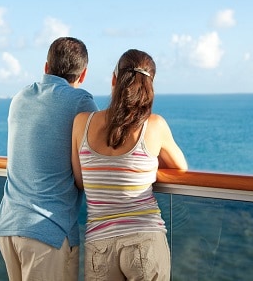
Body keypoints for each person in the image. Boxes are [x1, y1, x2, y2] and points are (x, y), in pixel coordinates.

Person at [71, 49, 188, 280]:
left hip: (100, 245)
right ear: (149, 85)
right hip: (145, 239)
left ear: (114, 79)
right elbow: (181, 167)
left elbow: (80, 181)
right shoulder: (154, 126)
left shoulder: (82, 122)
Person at [0, 37, 99, 281]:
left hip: (9, 227)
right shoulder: (81, 102)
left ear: (46, 67)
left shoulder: (19, 98)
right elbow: (94, 160)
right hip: (47, 233)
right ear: (82, 75)